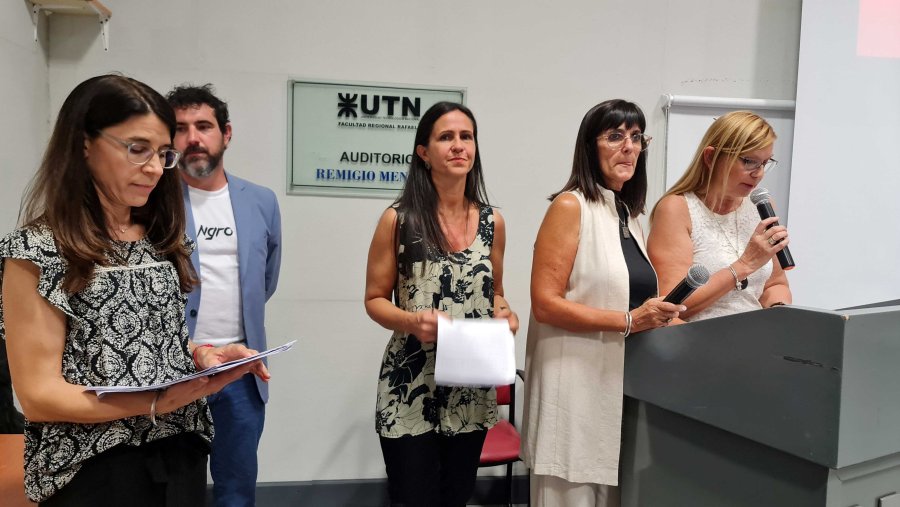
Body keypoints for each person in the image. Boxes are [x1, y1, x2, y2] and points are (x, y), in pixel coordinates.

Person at [0, 74, 268, 506]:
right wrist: (156, 401)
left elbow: (146, 337)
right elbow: (39, 396)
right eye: (137, 149)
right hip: (93, 464)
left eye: (163, 154)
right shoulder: (37, 250)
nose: (153, 168)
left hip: (178, 451)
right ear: (84, 143)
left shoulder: (160, 237)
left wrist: (201, 355)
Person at [522, 99, 684, 506]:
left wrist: (658, 313)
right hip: (572, 388)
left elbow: (628, 296)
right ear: (590, 148)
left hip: (619, 388)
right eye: (615, 137)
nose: (629, 147)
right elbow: (545, 303)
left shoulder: (628, 215)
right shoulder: (570, 206)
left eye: (636, 137)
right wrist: (630, 320)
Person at [364, 101, 519, 506]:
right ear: (423, 152)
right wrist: (411, 321)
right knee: (413, 497)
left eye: (466, 137)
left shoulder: (493, 222)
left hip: (470, 386)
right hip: (411, 383)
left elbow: (496, 291)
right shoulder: (398, 220)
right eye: (445, 137)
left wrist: (504, 312)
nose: (458, 146)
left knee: (456, 497)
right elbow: (374, 300)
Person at [166, 84, 282, 507]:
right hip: (174, 369)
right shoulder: (153, 202)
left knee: (236, 490)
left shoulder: (262, 202)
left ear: (226, 133)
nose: (193, 138)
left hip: (239, 371)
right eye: (180, 128)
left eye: (204, 126)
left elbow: (265, 280)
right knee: (175, 488)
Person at [647, 111, 792, 321]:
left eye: (764, 163)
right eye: (749, 161)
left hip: (755, 340)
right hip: (697, 343)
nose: (758, 173)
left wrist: (778, 308)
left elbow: (775, 283)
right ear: (710, 157)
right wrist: (744, 266)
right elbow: (672, 305)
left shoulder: (761, 206)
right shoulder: (676, 209)